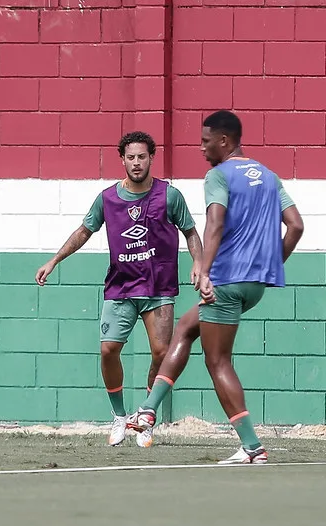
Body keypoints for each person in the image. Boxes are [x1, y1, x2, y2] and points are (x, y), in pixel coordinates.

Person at [126, 111, 304, 464]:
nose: (202, 148)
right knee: (187, 327)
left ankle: (252, 447)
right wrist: (267, 267)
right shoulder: (269, 177)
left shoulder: (217, 175)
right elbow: (296, 226)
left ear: (224, 141)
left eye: (206, 141)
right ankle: (148, 410)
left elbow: (215, 222)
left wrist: (204, 271)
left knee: (218, 361)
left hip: (224, 281)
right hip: (254, 285)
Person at [35, 131, 203, 448]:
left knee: (161, 353)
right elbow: (84, 230)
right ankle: (118, 416)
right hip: (120, 288)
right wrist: (54, 261)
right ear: (122, 159)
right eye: (131, 157)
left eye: (142, 156)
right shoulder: (107, 198)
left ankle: (146, 419)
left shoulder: (169, 196)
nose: (137, 162)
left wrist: (199, 263)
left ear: (151, 158)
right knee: (108, 350)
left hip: (158, 289)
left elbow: (191, 232)